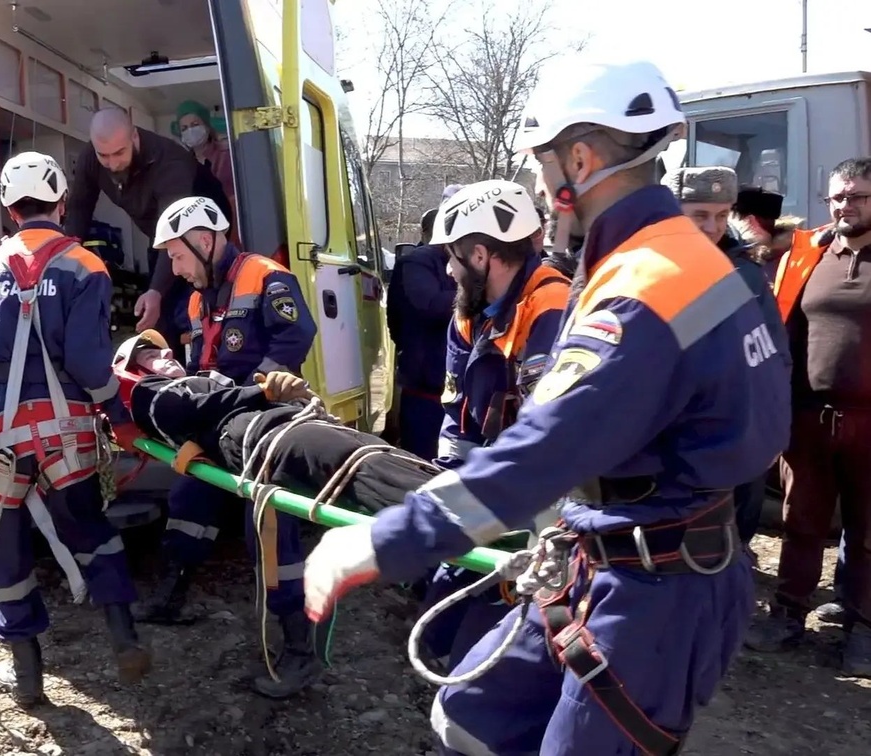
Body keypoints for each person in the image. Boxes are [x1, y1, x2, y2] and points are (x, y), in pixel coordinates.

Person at [303, 59, 791, 755]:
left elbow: (540, 453)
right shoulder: (700, 265)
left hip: (654, 590)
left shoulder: (641, 289)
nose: (537, 184)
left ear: (580, 161)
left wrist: (380, 542)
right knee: (469, 716)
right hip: (614, 554)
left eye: (540, 162)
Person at [0, 151, 151, 708]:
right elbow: (89, 362)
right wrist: (118, 416)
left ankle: (27, 677)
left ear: (8, 209)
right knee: (90, 528)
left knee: (5, 548)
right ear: (63, 203)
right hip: (62, 423)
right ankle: (123, 638)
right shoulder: (84, 266)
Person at [132, 195, 319, 697]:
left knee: (270, 531)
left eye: (177, 255)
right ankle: (173, 593)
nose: (174, 268)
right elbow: (203, 363)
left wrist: (257, 390)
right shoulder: (197, 300)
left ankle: (300, 648)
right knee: (188, 499)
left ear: (205, 240)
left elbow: (295, 337)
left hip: (263, 423)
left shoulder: (265, 276)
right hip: (218, 422)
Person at [416, 178, 571, 670]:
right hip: (490, 485)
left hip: (546, 500)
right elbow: (458, 413)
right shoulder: (469, 314)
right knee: (437, 616)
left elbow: (549, 432)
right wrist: (445, 484)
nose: (448, 269)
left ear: (481, 255)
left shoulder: (552, 308)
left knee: (495, 633)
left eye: (452, 256)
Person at [747, 157, 871, 676]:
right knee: (800, 522)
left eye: (857, 196)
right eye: (837, 197)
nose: (845, 206)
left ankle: (863, 628)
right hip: (809, 419)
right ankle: (788, 615)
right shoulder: (808, 255)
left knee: (866, 531)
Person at [111, 331, 442, 513]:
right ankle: (453, 515)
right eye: (151, 355)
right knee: (355, 465)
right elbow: (191, 410)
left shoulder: (194, 382)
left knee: (377, 450)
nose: (167, 354)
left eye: (165, 351)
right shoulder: (147, 395)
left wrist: (283, 394)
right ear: (134, 373)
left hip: (281, 424)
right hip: (261, 436)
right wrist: (261, 392)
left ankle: (457, 497)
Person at [663, 167, 789, 549]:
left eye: (721, 215)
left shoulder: (745, 273)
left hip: (742, 433)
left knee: (737, 535)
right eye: (699, 215)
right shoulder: (646, 273)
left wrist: (770, 428)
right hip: (677, 444)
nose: (711, 227)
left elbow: (775, 354)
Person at [64, 107, 232, 336]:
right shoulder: (92, 157)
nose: (112, 164)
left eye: (119, 153)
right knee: (160, 316)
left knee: (193, 307)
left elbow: (176, 229)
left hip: (200, 233)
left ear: (134, 136)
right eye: (104, 156)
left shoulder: (170, 162)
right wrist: (66, 260)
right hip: (160, 234)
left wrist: (156, 291)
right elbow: (79, 208)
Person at [386, 203, 456, 459]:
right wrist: (478, 292)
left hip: (447, 383)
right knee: (422, 460)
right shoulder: (417, 262)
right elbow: (431, 305)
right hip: (426, 383)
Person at [174, 100, 236, 226]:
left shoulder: (227, 153)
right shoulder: (182, 164)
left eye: (195, 124)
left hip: (233, 219)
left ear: (207, 127)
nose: (190, 130)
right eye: (184, 128)